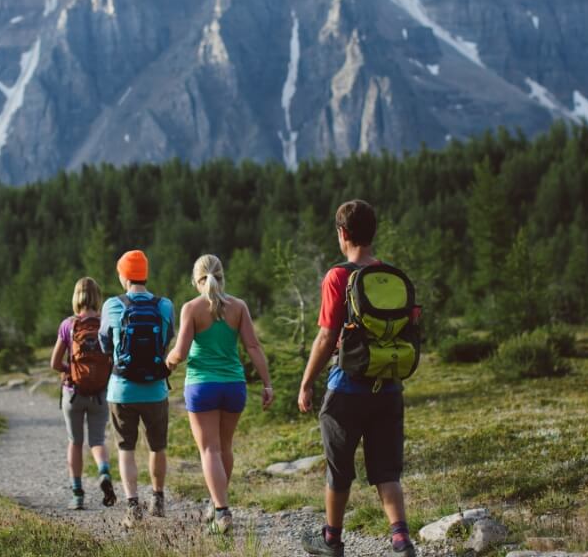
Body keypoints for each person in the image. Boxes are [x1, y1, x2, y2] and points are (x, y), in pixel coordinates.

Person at [299, 200, 418, 557]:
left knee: (339, 469)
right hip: (389, 386)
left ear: (343, 233)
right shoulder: (392, 276)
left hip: (347, 388)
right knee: (386, 470)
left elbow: (325, 336)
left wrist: (306, 383)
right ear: (373, 232)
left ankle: (332, 540)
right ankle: (401, 540)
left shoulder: (338, 276)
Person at [165, 254, 274, 535]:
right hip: (233, 385)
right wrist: (267, 384)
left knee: (209, 450)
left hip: (202, 385)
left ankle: (222, 512)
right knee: (224, 447)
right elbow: (253, 347)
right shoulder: (238, 307)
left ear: (195, 280)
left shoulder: (191, 308)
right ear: (222, 276)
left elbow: (182, 352)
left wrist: (168, 361)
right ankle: (216, 505)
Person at [100, 250, 175, 528]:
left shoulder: (111, 306)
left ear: (124, 276)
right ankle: (158, 500)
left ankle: (133, 507)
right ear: (145, 273)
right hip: (155, 389)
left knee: (125, 448)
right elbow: (167, 340)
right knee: (158, 446)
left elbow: (105, 344)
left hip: (121, 390)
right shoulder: (165, 305)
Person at [49, 277, 118, 511]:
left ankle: (77, 494)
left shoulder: (68, 325)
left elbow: (54, 363)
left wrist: (71, 370)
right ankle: (104, 471)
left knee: (75, 442)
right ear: (97, 297)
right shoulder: (105, 323)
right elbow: (113, 358)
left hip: (73, 392)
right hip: (100, 393)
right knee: (97, 440)